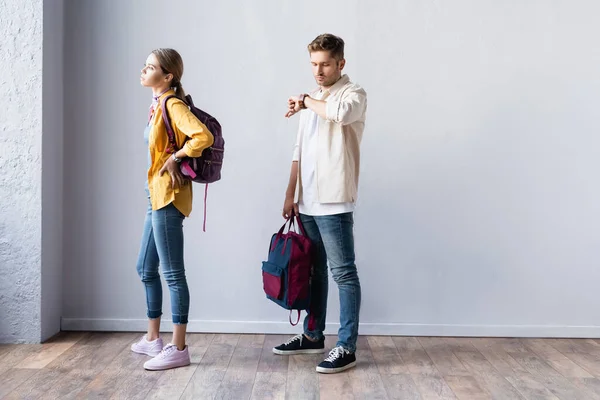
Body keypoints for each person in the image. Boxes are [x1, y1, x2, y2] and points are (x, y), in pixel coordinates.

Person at [274, 34, 368, 374]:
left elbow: (340, 114)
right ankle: (312, 335)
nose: (319, 70)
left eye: (325, 63)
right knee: (313, 272)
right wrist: (290, 194)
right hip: (309, 200)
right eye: (314, 64)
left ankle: (346, 346)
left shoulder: (353, 94)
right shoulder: (310, 100)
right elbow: (298, 151)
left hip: (335, 199)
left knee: (343, 272)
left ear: (340, 63)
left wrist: (304, 101)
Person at [130, 48, 213, 371]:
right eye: (145, 64)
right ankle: (153, 339)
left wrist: (176, 157)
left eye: (150, 67)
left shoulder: (172, 104)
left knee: (173, 274)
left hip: (169, 198)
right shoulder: (156, 105)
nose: (143, 69)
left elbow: (201, 136)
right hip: (156, 196)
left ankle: (178, 347)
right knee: (145, 269)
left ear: (168, 77)